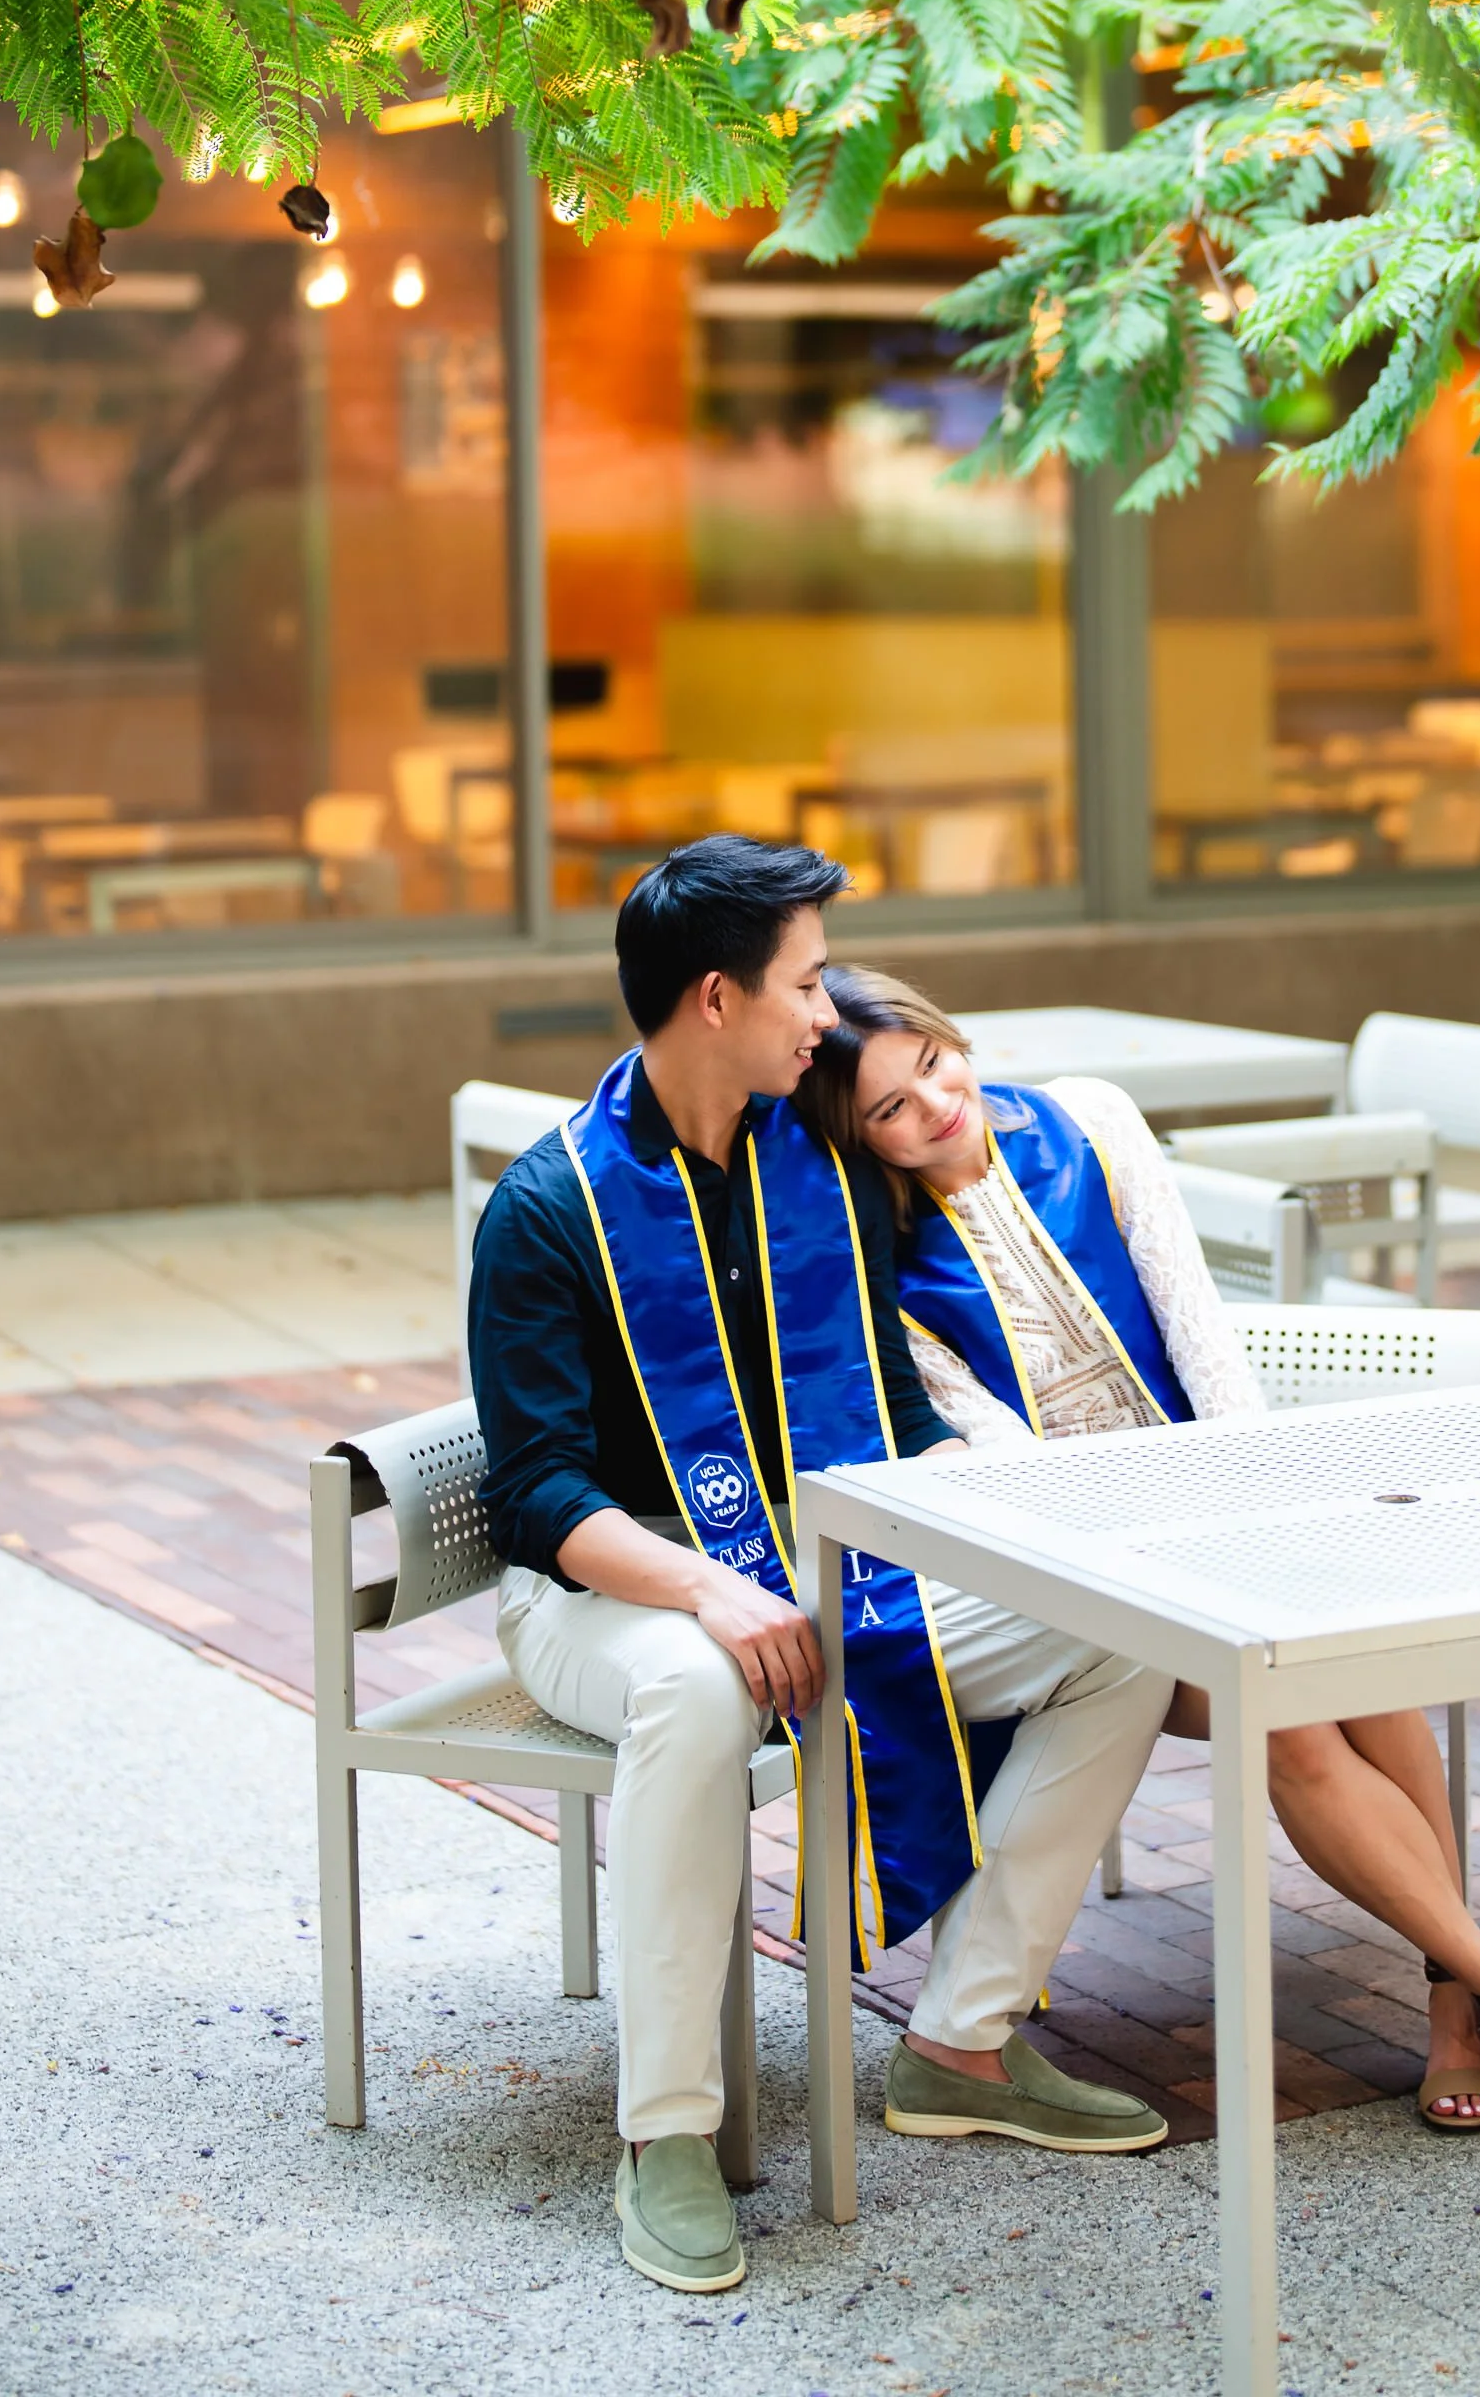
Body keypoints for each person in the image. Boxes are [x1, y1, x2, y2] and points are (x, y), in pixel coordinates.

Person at [468, 840, 1176, 2301]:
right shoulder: (550, 1209)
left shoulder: (819, 1163)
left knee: (1119, 1637)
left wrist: (1000, 1523)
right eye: (803, 984)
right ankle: (666, 2135)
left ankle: (961, 2044)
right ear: (716, 999)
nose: (825, 1016)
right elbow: (537, 1491)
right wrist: (709, 1590)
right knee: (695, 1694)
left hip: (823, 1569)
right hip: (609, 1595)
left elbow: (898, 1418)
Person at [796, 963, 1480, 2158]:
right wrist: (1203, 1575)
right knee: (1291, 1716)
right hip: (1107, 1579)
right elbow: (1021, 1480)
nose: (933, 1106)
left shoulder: (1088, 1119)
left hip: (1243, 1513)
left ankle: (1460, 1999)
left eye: (932, 1064)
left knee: (1348, 1651)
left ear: (950, 1036)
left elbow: (1205, 1336)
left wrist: (1271, 1528)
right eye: (889, 1109)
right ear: (858, 1141)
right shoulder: (885, 1274)